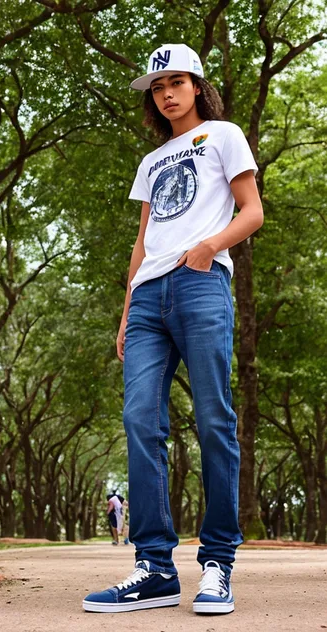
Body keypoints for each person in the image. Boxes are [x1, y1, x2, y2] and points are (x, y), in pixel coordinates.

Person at [82, 43, 263, 615]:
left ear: (197, 85)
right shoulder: (151, 162)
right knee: (139, 420)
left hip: (199, 283)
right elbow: (143, 239)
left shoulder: (224, 135)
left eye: (176, 82)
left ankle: (217, 564)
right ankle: (155, 568)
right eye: (158, 86)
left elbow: (252, 211)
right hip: (148, 298)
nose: (166, 92)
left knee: (213, 417)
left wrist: (208, 248)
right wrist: (127, 305)